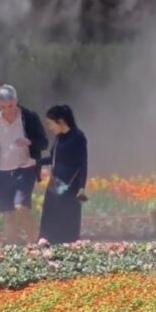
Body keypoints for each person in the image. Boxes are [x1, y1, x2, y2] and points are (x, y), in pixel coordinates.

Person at [0, 85, 49, 245]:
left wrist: (29, 142)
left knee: (21, 207)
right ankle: (13, 250)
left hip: (24, 169)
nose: (7, 110)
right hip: (1, 172)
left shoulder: (29, 117)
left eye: (10, 106)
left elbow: (44, 143)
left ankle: (37, 243)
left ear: (16, 101)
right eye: (3, 107)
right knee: (7, 213)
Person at [38, 105, 88, 245]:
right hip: (55, 184)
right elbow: (53, 158)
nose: (50, 127)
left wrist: (82, 187)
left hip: (71, 186)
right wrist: (36, 162)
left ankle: (68, 248)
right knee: (50, 218)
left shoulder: (78, 137)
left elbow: (83, 164)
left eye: (51, 124)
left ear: (60, 121)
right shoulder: (59, 137)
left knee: (67, 221)